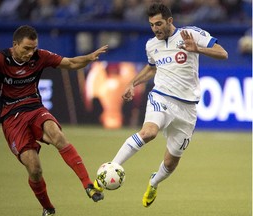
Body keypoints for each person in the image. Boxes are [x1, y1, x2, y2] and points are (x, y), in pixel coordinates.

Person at [94, 2, 228, 208]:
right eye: (151, 25)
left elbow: (223, 53)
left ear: (170, 21)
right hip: (161, 98)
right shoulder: (151, 45)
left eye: (159, 24)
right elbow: (151, 68)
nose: (155, 29)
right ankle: (109, 170)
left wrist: (197, 48)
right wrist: (132, 83)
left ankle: (153, 182)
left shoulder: (191, 34)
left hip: (187, 109)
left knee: (170, 163)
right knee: (148, 132)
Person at [0, 25, 108, 216]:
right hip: (11, 118)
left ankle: (88, 185)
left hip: (35, 108)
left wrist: (88, 58)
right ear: (15, 45)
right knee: (35, 169)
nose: (30, 53)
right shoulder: (1, 58)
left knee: (57, 135)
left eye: (33, 48)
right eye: (26, 48)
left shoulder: (40, 56)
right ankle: (48, 208)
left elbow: (70, 63)